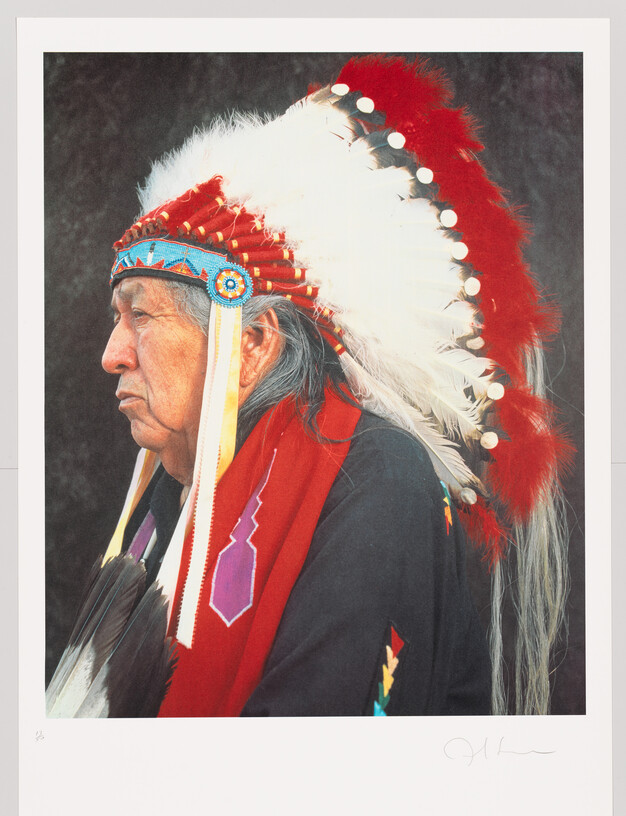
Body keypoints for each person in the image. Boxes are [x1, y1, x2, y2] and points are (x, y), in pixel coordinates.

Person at [46, 54, 570, 718]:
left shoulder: (378, 479)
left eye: (141, 317)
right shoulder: (176, 489)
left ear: (252, 344)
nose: (111, 355)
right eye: (116, 319)